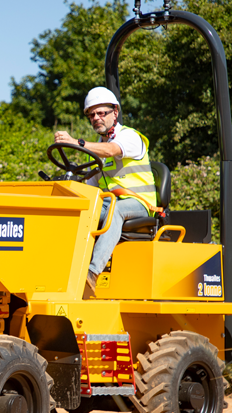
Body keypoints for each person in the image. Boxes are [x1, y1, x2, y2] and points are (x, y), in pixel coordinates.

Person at [53, 87, 158, 292]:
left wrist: (76, 142)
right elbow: (90, 191)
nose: (96, 118)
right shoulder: (93, 153)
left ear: (115, 112)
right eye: (92, 115)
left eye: (101, 113)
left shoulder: (130, 137)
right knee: (81, 210)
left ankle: (92, 273)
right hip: (110, 202)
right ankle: (64, 267)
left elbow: (112, 150)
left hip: (140, 203)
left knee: (114, 211)